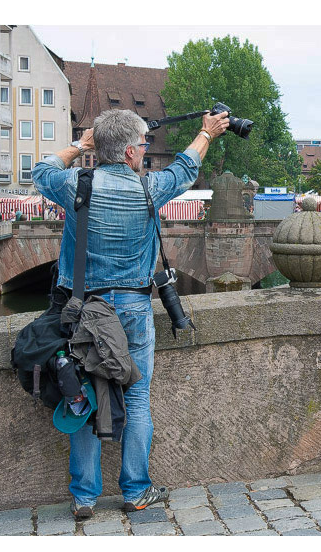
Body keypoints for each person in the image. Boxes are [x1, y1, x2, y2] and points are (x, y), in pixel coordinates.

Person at [33, 107, 229, 520]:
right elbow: (185, 168)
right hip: (134, 310)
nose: (145, 150)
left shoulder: (75, 185)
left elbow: (40, 171)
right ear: (127, 152)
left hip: (85, 310)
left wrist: (79, 145)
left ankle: (85, 496)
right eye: (142, 145)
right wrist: (206, 133)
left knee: (84, 395)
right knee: (137, 398)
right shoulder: (148, 188)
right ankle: (136, 490)